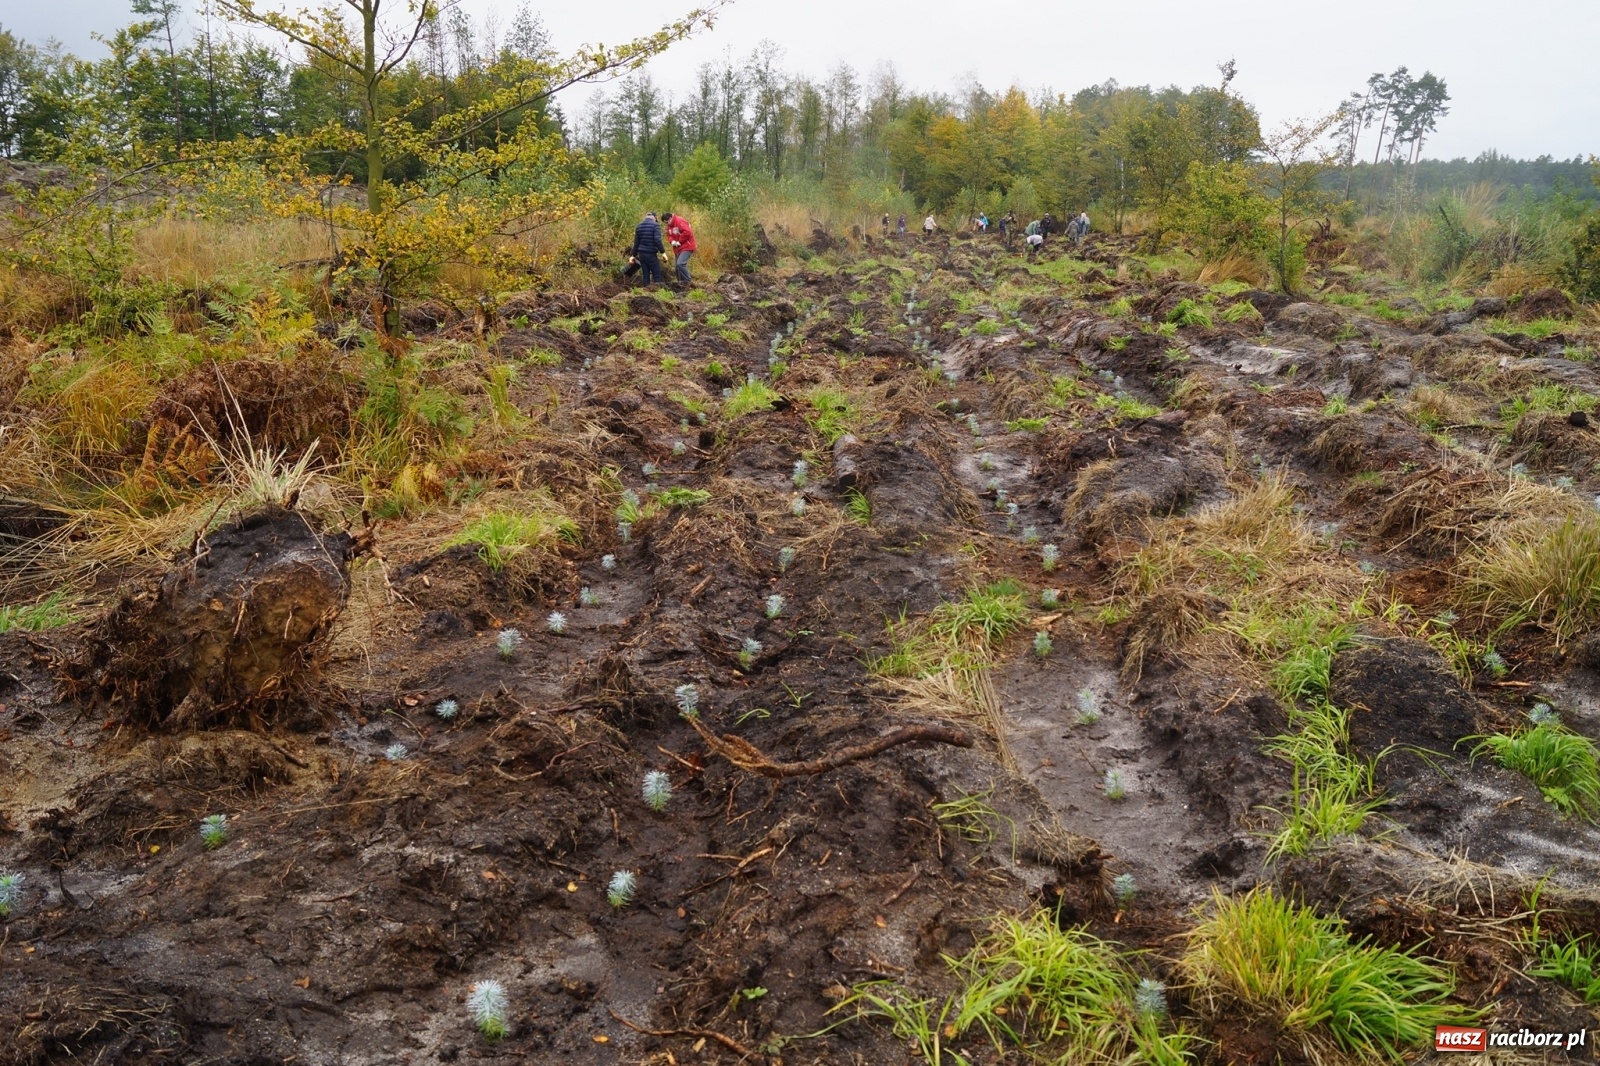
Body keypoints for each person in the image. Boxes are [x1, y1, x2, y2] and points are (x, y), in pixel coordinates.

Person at [631, 211, 665, 286]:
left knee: (645, 274)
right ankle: (658, 289)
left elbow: (636, 243)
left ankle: (646, 289)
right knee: (656, 273)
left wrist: (632, 255)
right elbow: (657, 240)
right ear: (655, 218)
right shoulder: (655, 225)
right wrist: (663, 252)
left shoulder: (639, 226)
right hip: (651, 253)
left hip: (641, 254)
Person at [664, 210, 696, 284]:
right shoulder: (669, 226)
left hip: (687, 246)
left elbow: (688, 232)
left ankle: (688, 281)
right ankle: (681, 283)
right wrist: (672, 241)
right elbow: (669, 235)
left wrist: (679, 241)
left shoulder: (679, 220)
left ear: (670, 218)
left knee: (680, 263)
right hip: (677, 248)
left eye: (667, 222)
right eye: (665, 223)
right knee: (677, 268)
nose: (667, 224)